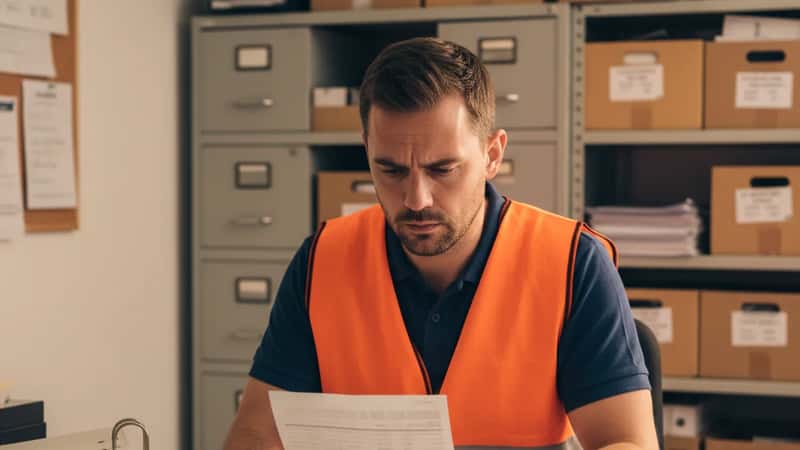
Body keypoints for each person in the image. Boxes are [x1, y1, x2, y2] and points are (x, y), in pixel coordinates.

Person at [223, 37, 657, 450]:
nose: (416, 199)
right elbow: (255, 435)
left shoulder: (571, 262)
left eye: (443, 169)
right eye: (391, 171)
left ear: (492, 154)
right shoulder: (323, 261)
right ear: (366, 150)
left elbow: (630, 440)